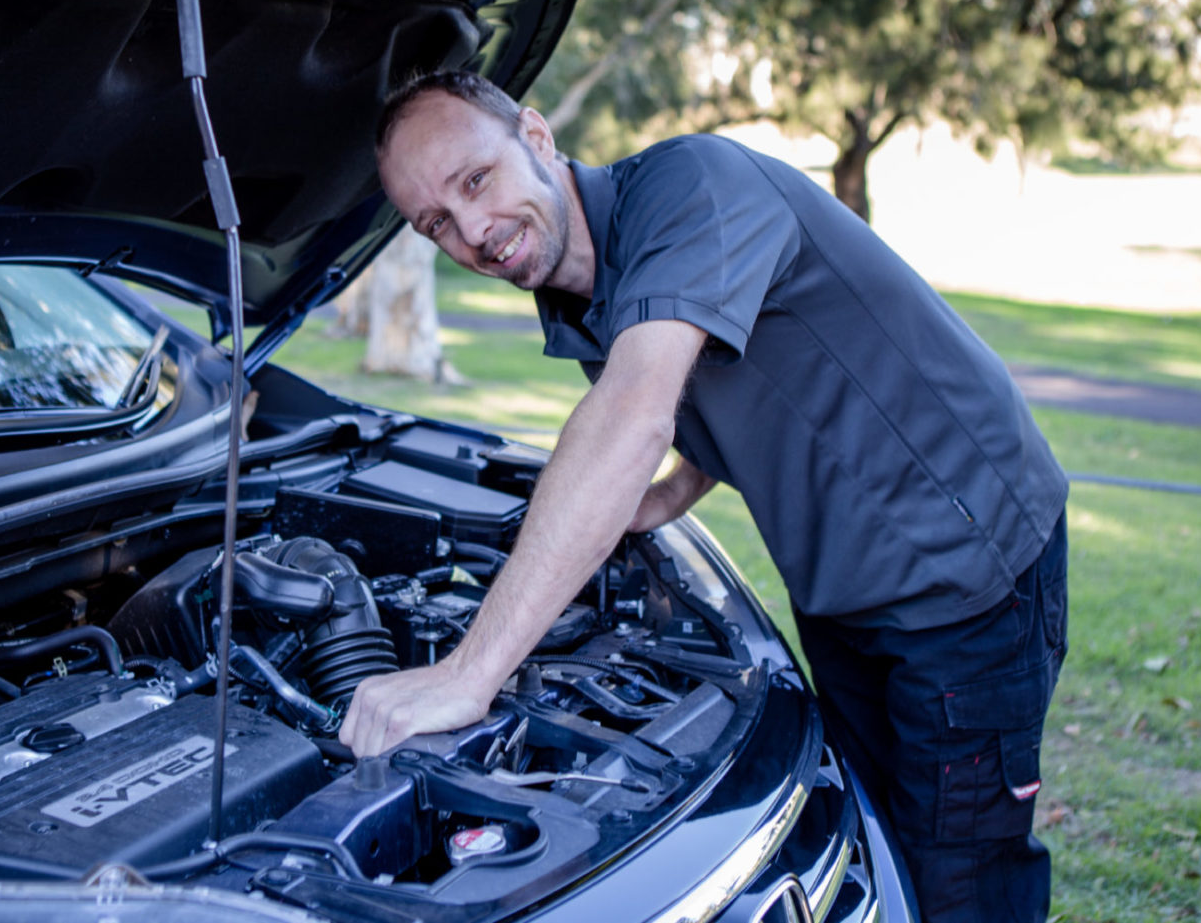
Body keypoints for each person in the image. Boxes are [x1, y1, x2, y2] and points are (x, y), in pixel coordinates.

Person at [338, 69, 1069, 923]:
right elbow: (732, 370)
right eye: (436, 223)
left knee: (960, 877)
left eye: (475, 180)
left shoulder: (694, 190)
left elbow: (633, 408)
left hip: (966, 576)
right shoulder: (580, 289)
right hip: (841, 588)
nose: (472, 231)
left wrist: (469, 673)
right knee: (874, 848)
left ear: (536, 136)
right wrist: (672, 489)